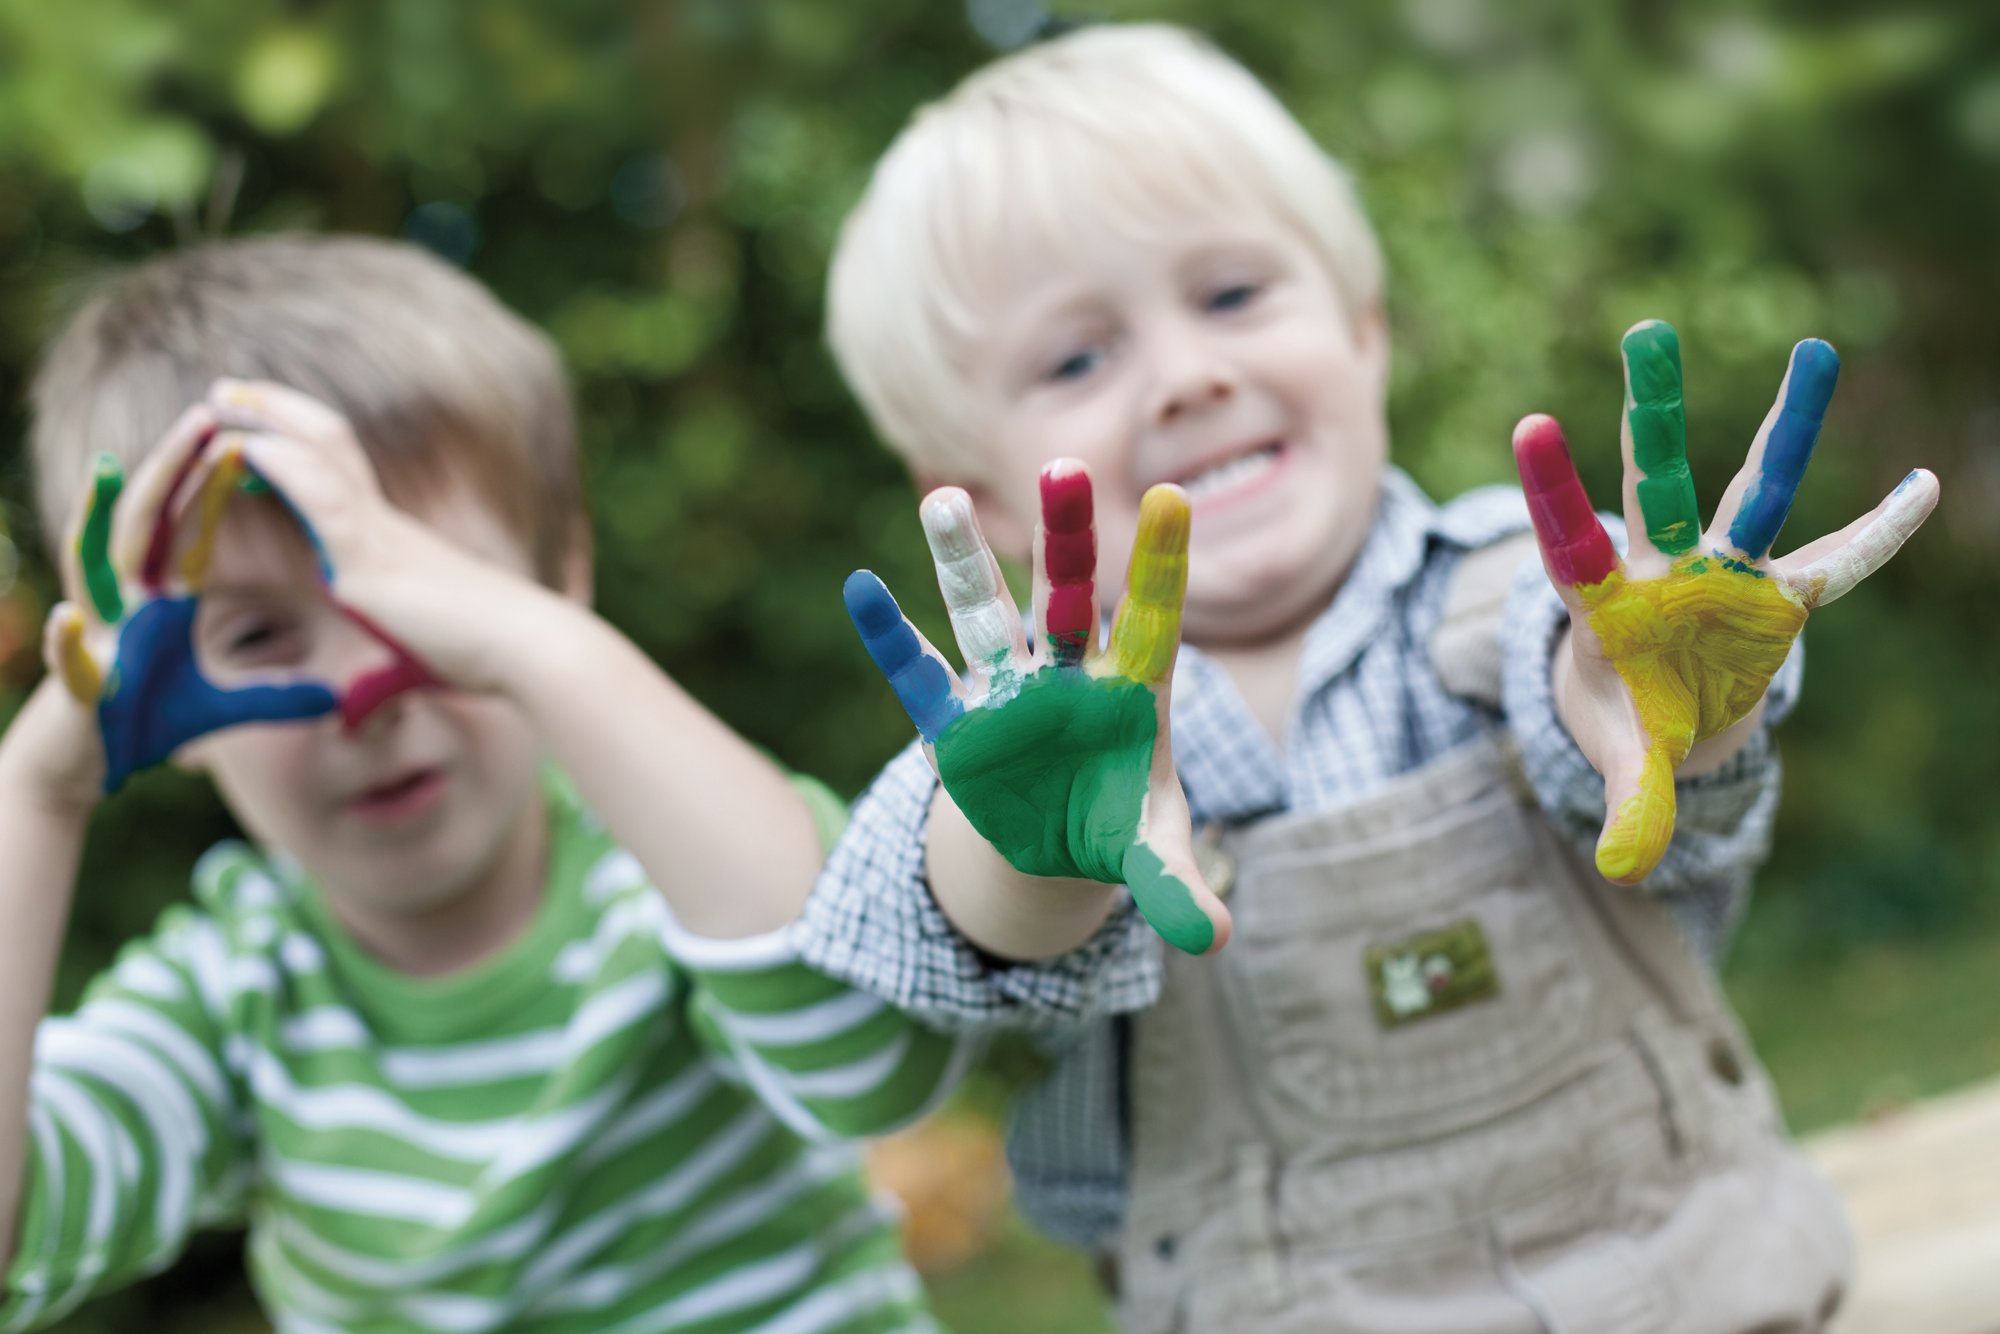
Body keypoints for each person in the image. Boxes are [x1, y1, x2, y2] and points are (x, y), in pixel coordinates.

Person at [799, 23, 1938, 1332]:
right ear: (985, 491)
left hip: (1698, 1292)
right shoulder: (1029, 740)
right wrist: (1040, 849)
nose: (1189, 373)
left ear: (1363, 329)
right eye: (1075, 359)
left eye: (1230, 296)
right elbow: (959, 930)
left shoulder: (1521, 588)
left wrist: (1654, 705)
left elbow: (1578, 687)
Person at [0, 234, 968, 1332]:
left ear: (559, 579)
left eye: (419, 588)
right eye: (261, 634)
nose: (362, 689)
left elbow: (875, 1061)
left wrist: (540, 651)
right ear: (158, 701)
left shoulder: (672, 862)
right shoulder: (240, 993)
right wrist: (40, 787)